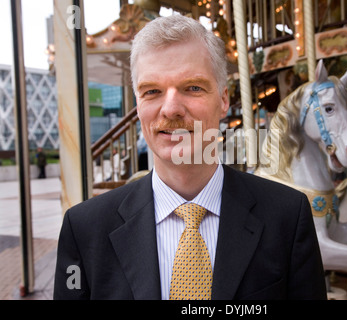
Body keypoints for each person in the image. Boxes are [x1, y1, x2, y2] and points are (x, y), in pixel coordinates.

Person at [53, 15, 326, 300]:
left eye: (193, 87)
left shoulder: (287, 216)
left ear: (223, 100)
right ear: (138, 105)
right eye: (152, 91)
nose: (171, 109)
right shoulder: (85, 230)